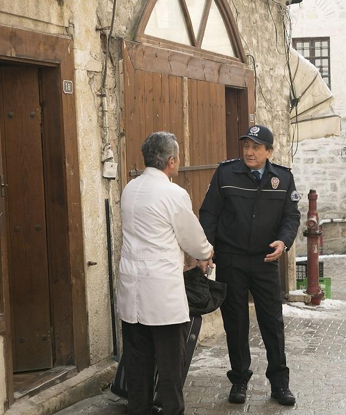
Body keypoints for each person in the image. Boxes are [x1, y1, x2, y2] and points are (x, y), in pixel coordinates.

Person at [199, 125, 301, 406]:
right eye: (246, 145)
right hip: (231, 259)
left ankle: (280, 385)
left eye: (256, 147)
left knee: (272, 322)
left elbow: (291, 217)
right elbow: (209, 213)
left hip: (265, 260)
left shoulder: (282, 177)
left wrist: (284, 242)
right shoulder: (226, 173)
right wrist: (207, 248)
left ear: (269, 151)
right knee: (236, 322)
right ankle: (239, 380)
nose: (249, 151)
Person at [117, 131, 214, 415]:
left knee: (138, 360)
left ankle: (140, 409)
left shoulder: (130, 188)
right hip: (162, 292)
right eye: (178, 157)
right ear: (171, 161)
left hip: (132, 288)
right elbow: (192, 238)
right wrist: (205, 254)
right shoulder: (173, 193)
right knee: (171, 361)